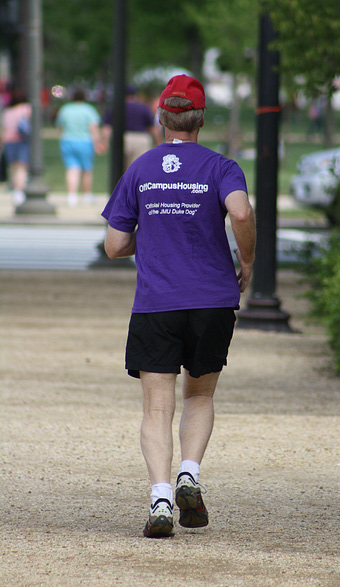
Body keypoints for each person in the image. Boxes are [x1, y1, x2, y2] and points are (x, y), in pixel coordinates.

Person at [102, 74, 256, 538]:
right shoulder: (221, 166)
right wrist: (246, 257)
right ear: (201, 118)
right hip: (212, 299)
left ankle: (162, 499)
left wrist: (150, 240)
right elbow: (242, 212)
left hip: (157, 303)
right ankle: (190, 472)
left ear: (162, 118)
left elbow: (113, 245)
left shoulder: (141, 169)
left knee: (155, 408)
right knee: (200, 394)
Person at [55, 88, 103, 206]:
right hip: (85, 141)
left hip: (67, 140)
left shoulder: (65, 109)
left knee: (72, 169)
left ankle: (72, 196)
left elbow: (60, 127)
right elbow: (93, 128)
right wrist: (97, 143)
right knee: (86, 170)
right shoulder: (88, 110)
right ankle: (86, 195)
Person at [102, 85, 162, 170]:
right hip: (140, 139)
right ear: (135, 95)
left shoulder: (115, 108)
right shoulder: (143, 108)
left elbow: (107, 128)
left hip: (121, 138)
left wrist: (105, 142)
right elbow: (153, 128)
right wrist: (158, 143)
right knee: (138, 170)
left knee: (121, 170)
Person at [0, 88, 31, 205]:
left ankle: (15, 189)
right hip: (21, 140)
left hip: (8, 141)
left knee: (13, 167)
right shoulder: (27, 109)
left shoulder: (7, 112)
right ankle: (19, 191)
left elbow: (4, 129)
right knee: (22, 166)